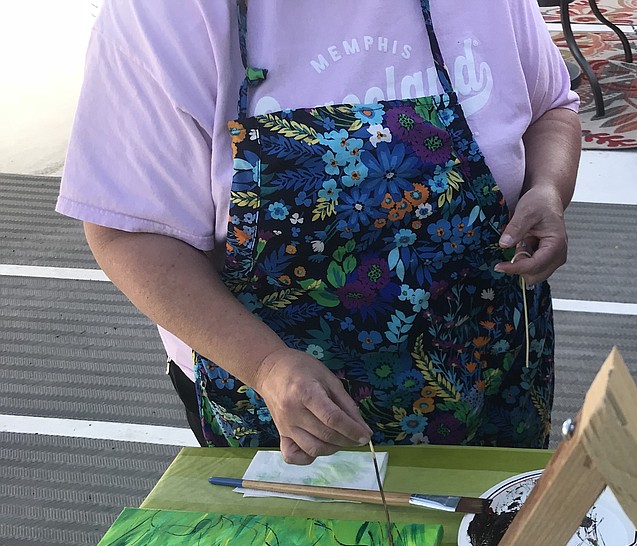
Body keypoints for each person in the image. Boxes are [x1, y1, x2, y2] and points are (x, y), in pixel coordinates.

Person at [58, 0, 581, 463]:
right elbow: (128, 232)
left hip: (491, 382)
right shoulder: (164, 14)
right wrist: (265, 365)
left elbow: (551, 109)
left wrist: (547, 190)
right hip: (289, 418)